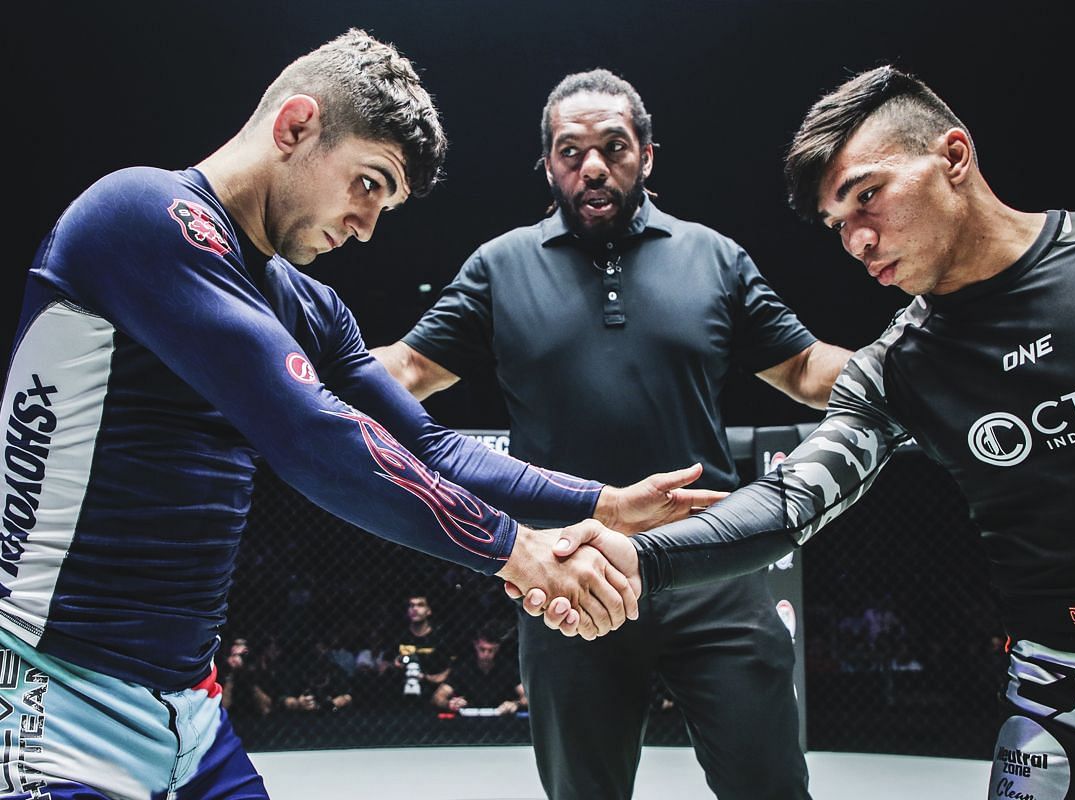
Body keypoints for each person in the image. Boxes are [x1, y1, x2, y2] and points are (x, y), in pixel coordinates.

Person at [0, 30, 714, 799]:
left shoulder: (309, 306)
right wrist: (520, 553)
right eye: (369, 183)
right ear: (296, 125)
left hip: (190, 715)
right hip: (50, 693)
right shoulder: (139, 215)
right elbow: (315, 438)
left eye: (388, 201)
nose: (369, 224)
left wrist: (602, 502)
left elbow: (432, 447)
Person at [538, 65, 1075, 799]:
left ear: (953, 157)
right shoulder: (896, 369)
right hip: (1062, 690)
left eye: (867, 196)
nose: (855, 239)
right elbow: (790, 502)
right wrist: (634, 556)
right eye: (836, 223)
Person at [372, 68, 851, 800]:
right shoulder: (501, 267)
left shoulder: (713, 258)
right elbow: (403, 369)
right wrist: (271, 364)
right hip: (570, 574)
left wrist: (921, 365)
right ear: (548, 164)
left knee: (773, 786)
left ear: (647, 154)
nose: (592, 165)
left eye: (613, 146)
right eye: (571, 151)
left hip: (712, 570)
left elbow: (809, 369)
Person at [431, 621, 525, 716]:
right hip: (468, 720)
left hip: (502, 718)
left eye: (491, 650)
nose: (486, 654)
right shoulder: (464, 668)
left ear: (498, 648)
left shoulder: (507, 667)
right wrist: (450, 704)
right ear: (475, 645)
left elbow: (528, 697)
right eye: (482, 649)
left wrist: (515, 704)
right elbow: (438, 697)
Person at [390, 593, 453, 706]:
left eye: (420, 605)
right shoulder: (398, 635)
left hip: (431, 691)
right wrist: (395, 664)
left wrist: (427, 677)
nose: (415, 609)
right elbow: (385, 663)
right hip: (399, 691)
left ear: (428, 610)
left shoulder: (440, 637)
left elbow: (451, 669)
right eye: (411, 605)